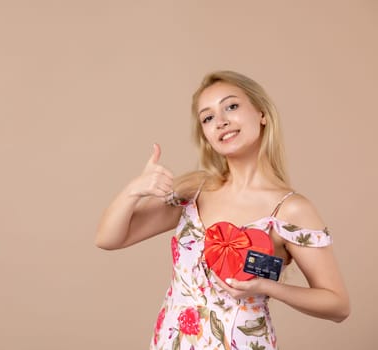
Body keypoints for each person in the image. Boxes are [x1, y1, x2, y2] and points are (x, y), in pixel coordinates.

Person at [94, 70, 350, 350]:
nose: (222, 121)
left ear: (261, 113)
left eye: (231, 106)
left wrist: (266, 287)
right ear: (205, 134)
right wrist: (134, 190)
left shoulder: (291, 209)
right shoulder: (195, 190)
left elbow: (337, 305)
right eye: (208, 117)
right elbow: (109, 239)